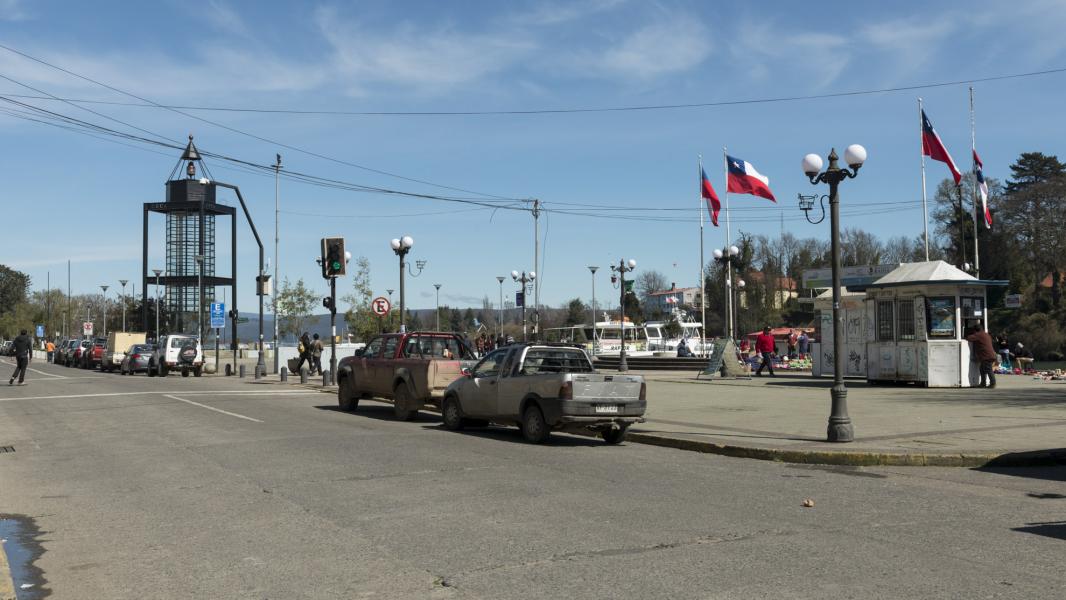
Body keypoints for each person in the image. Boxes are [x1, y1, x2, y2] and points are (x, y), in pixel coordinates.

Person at [966, 324, 997, 388]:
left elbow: (968, 338)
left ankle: (993, 383)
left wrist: (969, 333)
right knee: (982, 369)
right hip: (990, 355)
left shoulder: (978, 335)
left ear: (975, 330)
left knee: (989, 370)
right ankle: (983, 383)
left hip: (986, 356)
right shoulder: (986, 334)